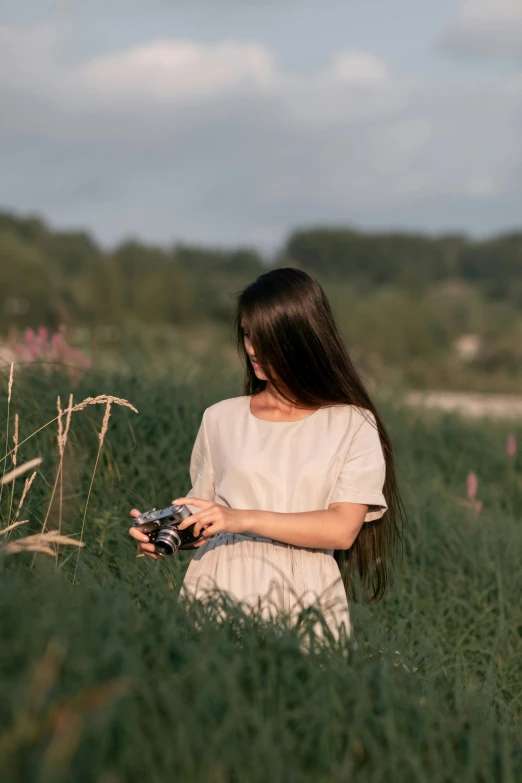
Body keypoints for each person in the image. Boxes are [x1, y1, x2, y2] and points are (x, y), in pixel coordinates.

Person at [129, 267, 406, 643]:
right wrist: (170, 531)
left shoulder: (353, 424)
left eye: (266, 338)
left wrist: (240, 518)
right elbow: (208, 511)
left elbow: (342, 529)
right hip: (216, 584)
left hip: (307, 594)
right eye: (247, 334)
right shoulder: (220, 417)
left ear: (302, 338)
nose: (253, 349)